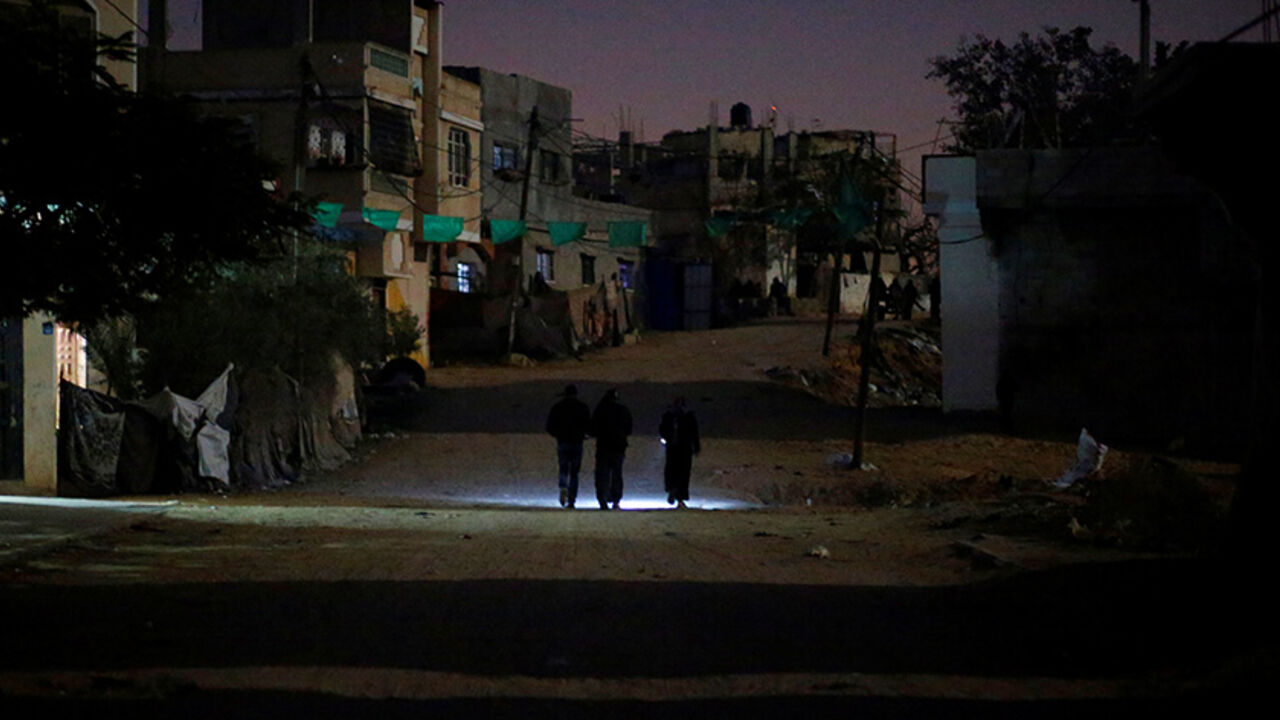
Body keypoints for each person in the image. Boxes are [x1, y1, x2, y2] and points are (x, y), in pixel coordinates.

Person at [545, 384, 591, 508]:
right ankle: (572, 499)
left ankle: (563, 487)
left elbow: (549, 426)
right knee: (575, 471)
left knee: (563, 467)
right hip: (577, 442)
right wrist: (585, 434)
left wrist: (558, 434)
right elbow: (589, 425)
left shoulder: (557, 407)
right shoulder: (582, 407)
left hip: (563, 441)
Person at [590, 388, 633, 510]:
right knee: (616, 474)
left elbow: (593, 428)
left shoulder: (600, 410)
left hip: (603, 446)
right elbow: (629, 429)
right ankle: (616, 499)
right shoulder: (623, 410)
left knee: (602, 475)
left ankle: (602, 500)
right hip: (618, 447)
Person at [659, 397, 701, 509]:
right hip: (684, 448)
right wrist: (696, 447)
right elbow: (694, 433)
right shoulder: (688, 417)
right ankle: (679, 498)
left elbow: (662, 431)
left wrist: (666, 439)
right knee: (683, 473)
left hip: (674, 448)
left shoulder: (669, 416)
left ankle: (673, 491)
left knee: (673, 471)